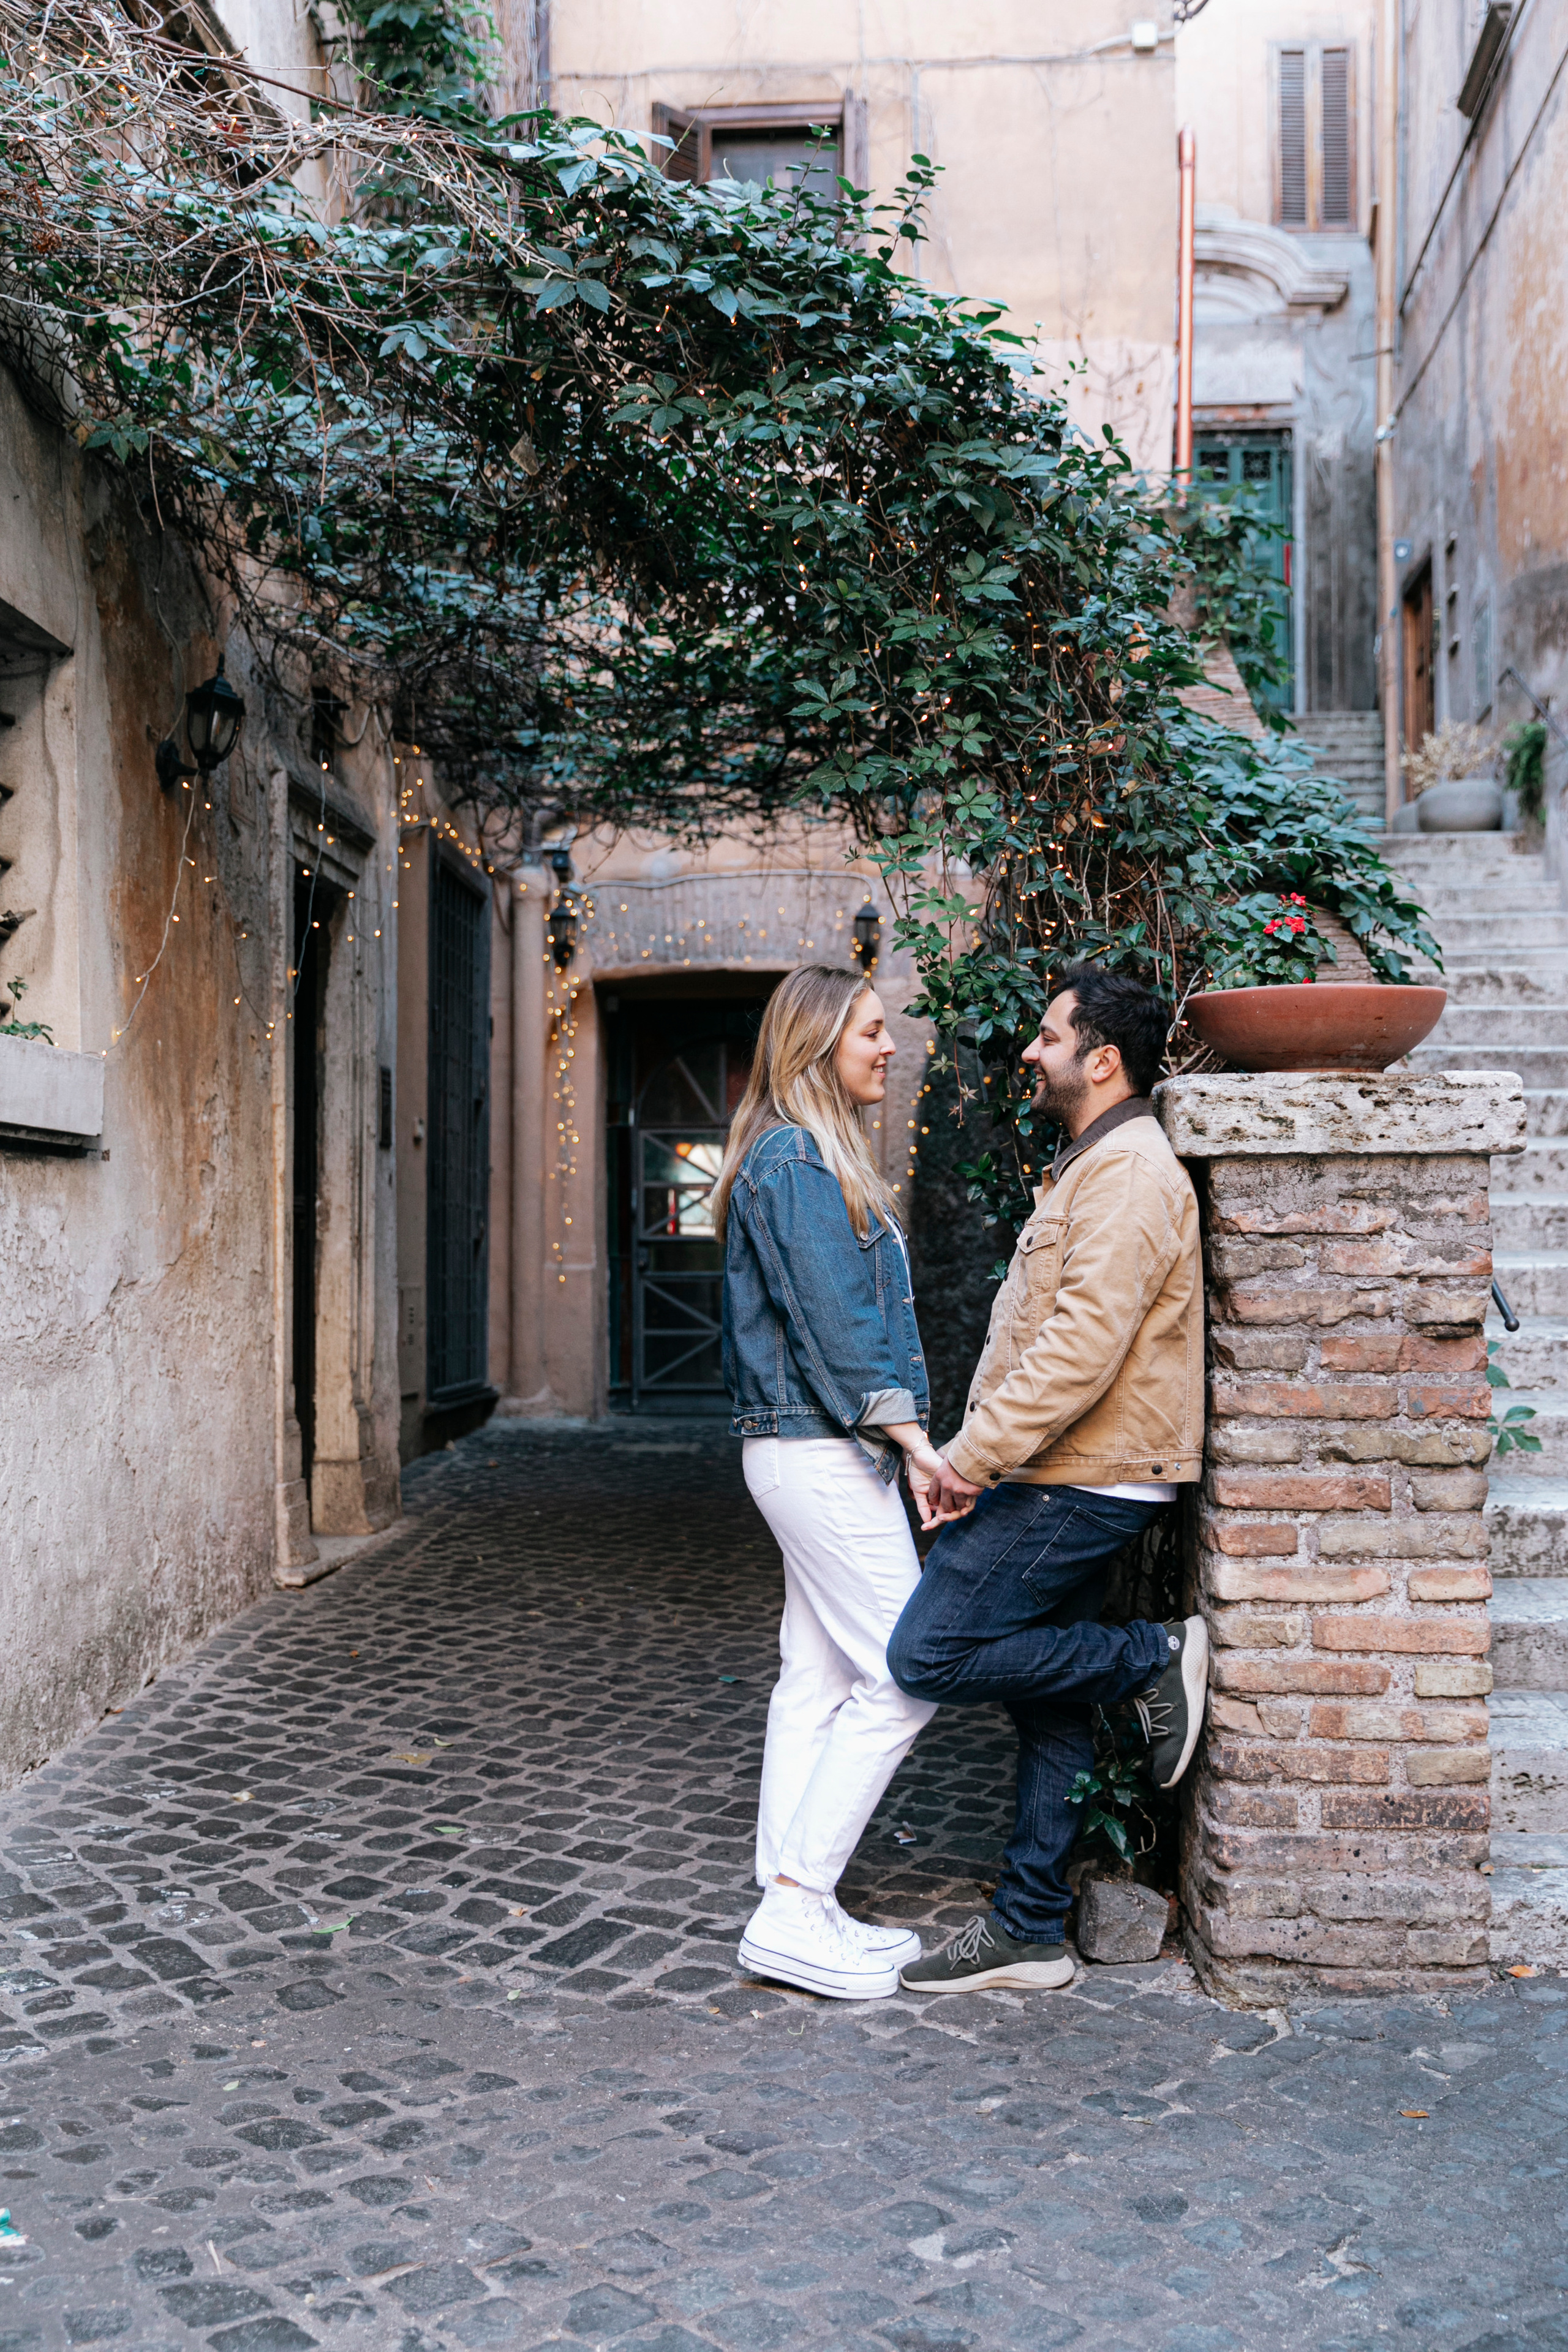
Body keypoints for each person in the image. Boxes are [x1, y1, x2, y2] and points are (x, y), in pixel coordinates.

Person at [888, 963, 1208, 1996]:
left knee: (929, 1651)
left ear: (1101, 1059)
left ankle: (1150, 1656)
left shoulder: (1129, 1176)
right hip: (1066, 1465)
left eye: (1048, 1036)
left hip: (1083, 1476)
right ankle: (1029, 1929)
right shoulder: (1092, 1166)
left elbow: (1077, 1352)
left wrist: (967, 1462)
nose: (1030, 1051)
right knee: (1051, 1709)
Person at [716, 963, 943, 2002]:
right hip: (818, 1448)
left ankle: (787, 1897)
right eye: (871, 1033)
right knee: (908, 1670)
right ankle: (799, 1905)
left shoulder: (794, 1156)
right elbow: (840, 1333)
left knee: (814, 1676)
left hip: (799, 1449)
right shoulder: (799, 1162)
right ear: (815, 1048)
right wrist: (917, 1448)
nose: (889, 1047)